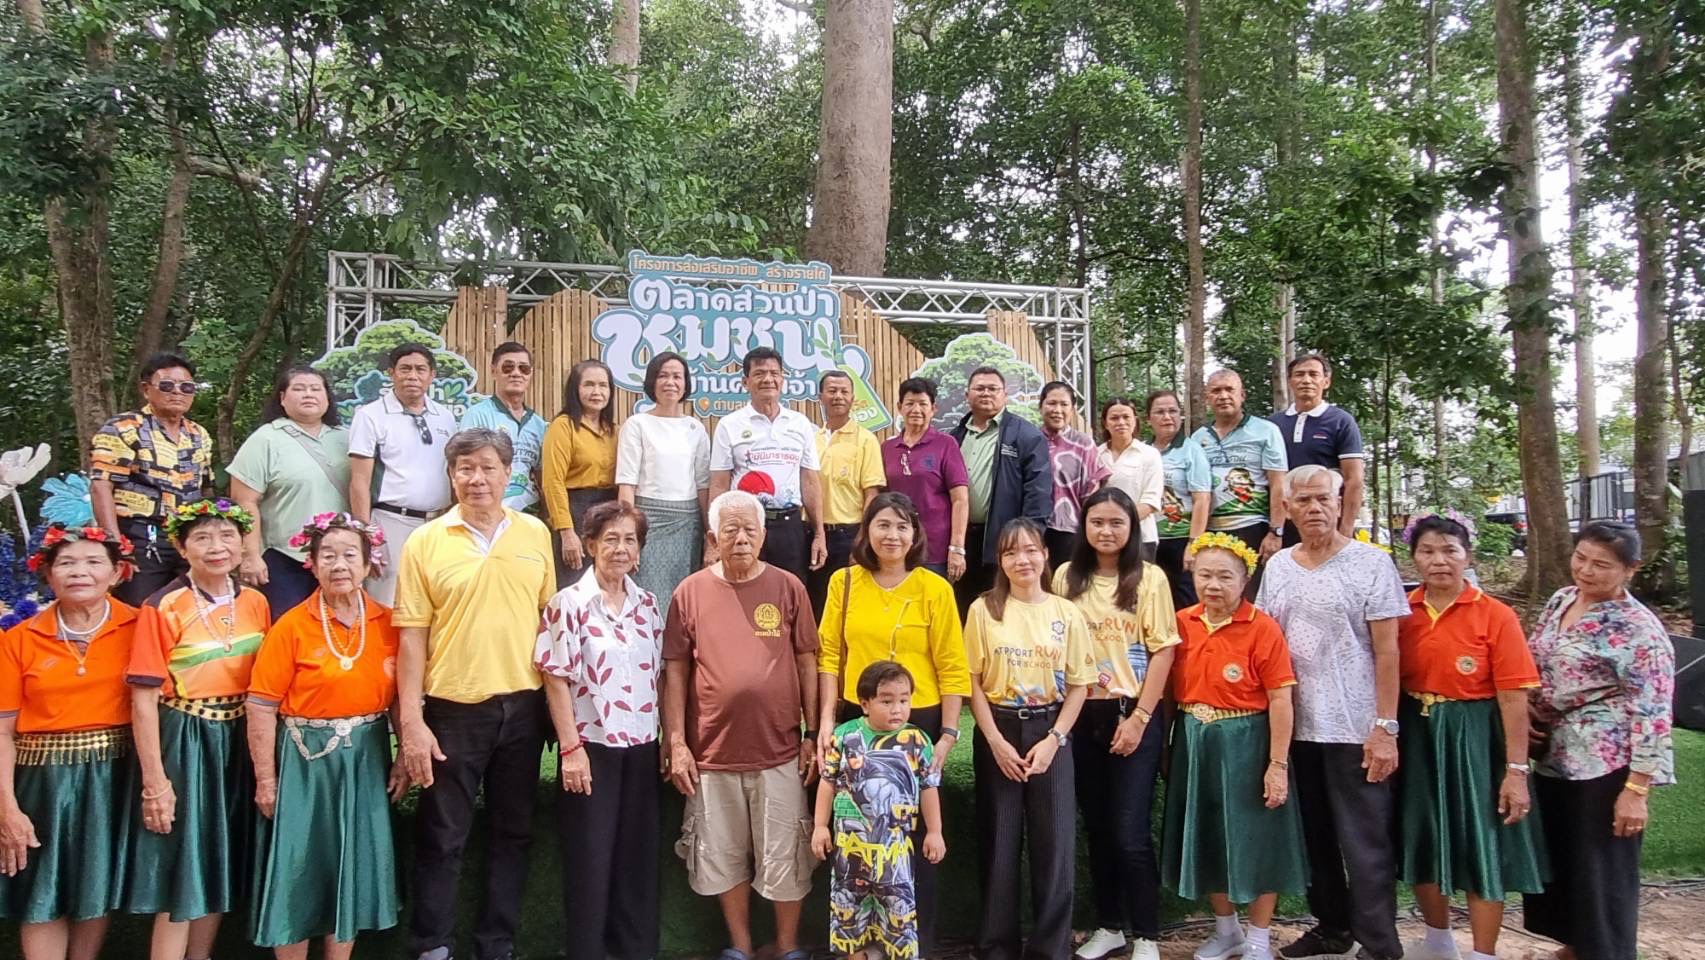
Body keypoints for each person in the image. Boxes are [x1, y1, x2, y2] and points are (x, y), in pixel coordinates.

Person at [392, 428, 556, 960]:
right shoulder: (425, 541)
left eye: (488, 467)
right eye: (465, 468)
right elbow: (412, 634)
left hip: (524, 708)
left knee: (513, 833)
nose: (477, 478)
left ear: (509, 475)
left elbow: (549, 622)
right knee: (443, 836)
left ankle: (496, 943)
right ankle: (432, 944)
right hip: (453, 711)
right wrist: (411, 721)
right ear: (451, 475)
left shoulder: (534, 533)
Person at [1255, 465, 1408, 960]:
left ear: (1341, 502)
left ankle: (1380, 943)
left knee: (1364, 842)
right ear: (1288, 508)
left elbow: (1388, 651)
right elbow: (1265, 642)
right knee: (1315, 838)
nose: (1314, 509)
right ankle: (1332, 926)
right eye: (1303, 501)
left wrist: (1385, 727)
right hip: (1298, 726)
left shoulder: (1371, 563)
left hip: (1355, 725)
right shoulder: (1278, 567)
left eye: (1323, 498)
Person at [663, 490, 819, 960]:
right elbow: (675, 670)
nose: (741, 538)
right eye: (730, 529)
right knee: (722, 856)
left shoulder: (788, 586)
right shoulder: (689, 591)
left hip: (780, 751)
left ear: (765, 535)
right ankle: (742, 947)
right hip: (711, 753)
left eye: (750, 528)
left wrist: (812, 734)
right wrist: (676, 741)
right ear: (713, 538)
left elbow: (808, 661)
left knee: (786, 856)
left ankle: (788, 948)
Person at [816, 491, 970, 957]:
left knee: (914, 840)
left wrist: (947, 733)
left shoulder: (934, 588)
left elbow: (952, 664)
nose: (892, 535)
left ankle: (911, 943)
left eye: (902, 526)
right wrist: (825, 720)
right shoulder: (844, 584)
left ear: (915, 534)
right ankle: (858, 939)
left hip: (915, 722)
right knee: (857, 836)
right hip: (857, 720)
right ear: (866, 531)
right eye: (883, 525)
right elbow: (829, 656)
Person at [246, 513, 402, 958]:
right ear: (310, 564)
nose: (339, 565)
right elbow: (260, 705)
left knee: (350, 867)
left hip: (366, 761)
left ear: (369, 563)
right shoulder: (291, 626)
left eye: (350, 555)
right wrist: (266, 778)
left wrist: (404, 755)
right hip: (305, 763)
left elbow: (398, 697)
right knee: (300, 869)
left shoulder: (387, 623)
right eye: (328, 555)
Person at [125, 499, 272, 960]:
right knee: (181, 866)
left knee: (218, 857)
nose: (217, 547)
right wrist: (155, 780)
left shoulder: (256, 602)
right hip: (186, 736)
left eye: (227, 535)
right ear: (181, 547)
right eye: (203, 538)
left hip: (239, 738)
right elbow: (144, 698)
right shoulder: (163, 605)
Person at [1395, 513, 1545, 960]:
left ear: (1467, 555)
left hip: (1476, 741)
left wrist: (1516, 770)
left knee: (1482, 842)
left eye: (1449, 550)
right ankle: (1438, 941)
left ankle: (1483, 952)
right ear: (1414, 558)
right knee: (1423, 836)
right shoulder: (1403, 612)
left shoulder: (1496, 615)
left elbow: (1514, 698)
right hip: (1418, 736)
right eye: (1427, 551)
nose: (1439, 561)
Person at [1523, 522, 1674, 960]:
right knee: (1565, 862)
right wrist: (1528, 707)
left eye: (1601, 565)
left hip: (1607, 763)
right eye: (1581, 558)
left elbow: (1654, 713)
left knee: (1601, 871)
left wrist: (1637, 790)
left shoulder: (1639, 631)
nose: (1586, 571)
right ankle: (1575, 946)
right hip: (1555, 754)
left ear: (1631, 569)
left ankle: (1607, 951)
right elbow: (1536, 659)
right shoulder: (1562, 599)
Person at [1160, 533, 1306, 960]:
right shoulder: (1182, 622)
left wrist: (1276, 764)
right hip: (1195, 742)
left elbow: (1281, 697)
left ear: (1245, 579)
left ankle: (1259, 938)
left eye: (1225, 576)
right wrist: (1168, 747)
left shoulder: (1263, 628)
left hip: (1247, 743)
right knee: (1207, 836)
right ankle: (1227, 930)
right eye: (1205, 575)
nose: (1213, 585)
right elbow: (1169, 690)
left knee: (1259, 838)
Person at [0, 526, 139, 960]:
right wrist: (7, 806)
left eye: (93, 562)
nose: (80, 572)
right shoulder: (19, 639)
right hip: (42, 781)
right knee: (41, 888)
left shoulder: (139, 626)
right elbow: (2, 729)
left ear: (116, 573)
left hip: (112, 773)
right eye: (66, 563)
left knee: (95, 886)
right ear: (48, 575)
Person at [1052, 488, 1178, 960]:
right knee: (1098, 827)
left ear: (1132, 529)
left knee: (1129, 830)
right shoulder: (1067, 576)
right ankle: (1110, 926)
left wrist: (1142, 718)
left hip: (1133, 712)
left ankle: (1146, 934)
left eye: (1116, 523)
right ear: (1084, 526)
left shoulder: (1150, 579)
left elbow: (1164, 648)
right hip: (1082, 713)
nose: (1106, 531)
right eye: (1097, 522)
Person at [536, 500, 665, 960]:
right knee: (591, 862)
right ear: (590, 545)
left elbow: (659, 676)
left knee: (637, 861)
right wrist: (570, 749)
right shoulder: (567, 604)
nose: (620, 548)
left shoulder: (648, 604)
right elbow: (556, 678)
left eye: (630, 539)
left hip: (642, 747)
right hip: (592, 748)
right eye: (610, 538)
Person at [964, 517, 1092, 960]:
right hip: (999, 727)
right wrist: (996, 741)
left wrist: (1055, 738)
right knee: (1000, 843)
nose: (1022, 559)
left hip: (1050, 732)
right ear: (1000, 560)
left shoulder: (1066, 612)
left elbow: (1079, 684)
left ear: (1045, 555)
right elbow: (973, 681)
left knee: (1054, 846)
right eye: (1011, 552)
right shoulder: (984, 609)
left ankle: (1050, 948)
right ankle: (996, 946)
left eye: (1030, 550)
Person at [811, 661, 946, 960]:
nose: (897, 708)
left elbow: (928, 788)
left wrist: (935, 831)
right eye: (886, 701)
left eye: (904, 700)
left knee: (897, 913)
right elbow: (827, 782)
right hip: (849, 850)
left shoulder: (917, 741)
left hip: (894, 851)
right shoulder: (845, 737)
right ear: (864, 703)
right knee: (849, 914)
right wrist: (821, 826)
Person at [90, 351, 214, 606]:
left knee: (191, 606)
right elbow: (101, 485)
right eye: (167, 385)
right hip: (140, 535)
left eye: (186, 387)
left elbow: (205, 489)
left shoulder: (199, 434)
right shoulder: (124, 427)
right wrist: (115, 544)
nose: (177, 392)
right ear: (147, 390)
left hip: (187, 536)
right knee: (139, 607)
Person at [229, 365, 351, 615]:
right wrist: (251, 555)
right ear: (282, 398)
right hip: (284, 558)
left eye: (316, 389)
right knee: (286, 631)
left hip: (339, 558)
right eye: (299, 388)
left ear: (327, 398)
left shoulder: (347, 438)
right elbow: (244, 501)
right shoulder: (265, 439)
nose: (309, 394)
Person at [347, 343, 458, 606]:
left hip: (438, 523)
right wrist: (367, 536)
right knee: (387, 601)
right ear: (391, 373)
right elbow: (359, 481)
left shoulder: (445, 416)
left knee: (436, 598)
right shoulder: (370, 416)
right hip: (390, 523)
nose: (412, 376)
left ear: (432, 375)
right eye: (405, 369)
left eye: (421, 369)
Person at [708, 347, 827, 575]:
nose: (768, 379)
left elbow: (810, 481)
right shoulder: (729, 425)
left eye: (774, 373)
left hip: (789, 525)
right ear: (746, 381)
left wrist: (819, 533)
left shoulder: (800, 424)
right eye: (760, 373)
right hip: (745, 525)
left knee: (790, 591)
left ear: (782, 380)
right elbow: (719, 484)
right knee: (743, 589)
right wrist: (714, 537)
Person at [947, 367, 1051, 617]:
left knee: (1001, 612)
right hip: (959, 542)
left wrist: (1024, 542)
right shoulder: (954, 437)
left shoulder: (1026, 436)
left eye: (993, 389)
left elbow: (1038, 494)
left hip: (1004, 541)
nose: (986, 393)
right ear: (966, 395)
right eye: (979, 388)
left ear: (1005, 395)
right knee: (961, 609)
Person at [615, 351, 710, 624]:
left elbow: (703, 486)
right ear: (652, 382)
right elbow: (627, 484)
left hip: (688, 526)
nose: (670, 382)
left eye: (677, 376)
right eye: (663, 375)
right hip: (649, 523)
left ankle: (679, 665)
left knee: (686, 602)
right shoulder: (637, 425)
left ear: (686, 383)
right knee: (649, 601)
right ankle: (650, 664)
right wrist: (628, 538)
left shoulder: (695, 428)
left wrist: (708, 536)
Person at [1189, 370, 1287, 593]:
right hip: (1211, 532)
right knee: (1214, 594)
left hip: (1253, 528)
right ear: (1207, 398)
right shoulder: (1198, 438)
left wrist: (1275, 532)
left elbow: (1278, 483)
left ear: (1242, 395)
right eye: (1216, 391)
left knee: (1251, 596)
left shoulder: (1266, 431)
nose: (1223, 396)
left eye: (1229, 389)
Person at [809, 370, 887, 618]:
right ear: (820, 396)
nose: (838, 396)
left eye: (844, 391)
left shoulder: (866, 440)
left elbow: (872, 494)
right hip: (811, 534)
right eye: (831, 391)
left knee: (847, 606)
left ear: (853, 398)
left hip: (848, 536)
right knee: (816, 604)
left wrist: (862, 540)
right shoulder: (811, 439)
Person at [1267, 353, 1364, 546]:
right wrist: (1273, 529)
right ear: (1290, 381)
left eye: (1313, 374)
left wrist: (1345, 530)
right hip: (1284, 522)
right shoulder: (1272, 424)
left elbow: (1354, 479)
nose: (1306, 380)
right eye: (1299, 374)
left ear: (1326, 381)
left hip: (1325, 520)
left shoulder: (1340, 421)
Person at [879, 377, 969, 581]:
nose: (916, 409)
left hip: (935, 549)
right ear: (899, 407)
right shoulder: (887, 448)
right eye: (910, 403)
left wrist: (957, 548)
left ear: (934, 408)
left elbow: (960, 499)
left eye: (923, 404)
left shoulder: (946, 444)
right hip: (897, 546)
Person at [541, 359, 619, 588]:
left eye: (603, 386)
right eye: (589, 385)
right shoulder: (563, 426)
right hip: (575, 514)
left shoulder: (614, 431)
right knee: (574, 589)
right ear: (575, 390)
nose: (597, 392)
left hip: (607, 516)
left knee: (606, 587)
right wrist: (566, 532)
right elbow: (553, 482)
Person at [459, 342, 547, 514]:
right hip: (488, 514)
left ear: (530, 374)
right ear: (494, 371)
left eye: (524, 369)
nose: (516, 373)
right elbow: (464, 469)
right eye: (508, 368)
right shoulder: (477, 415)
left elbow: (541, 476)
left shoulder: (538, 424)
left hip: (529, 516)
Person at [1148, 389, 1211, 609]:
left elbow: (1202, 499)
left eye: (1173, 411)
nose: (1168, 417)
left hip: (1181, 539)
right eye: (1160, 412)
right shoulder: (1143, 451)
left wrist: (1193, 544)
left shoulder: (1191, 451)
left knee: (1184, 604)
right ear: (1149, 419)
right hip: (1148, 540)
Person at [1038, 382, 1110, 570]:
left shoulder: (1084, 444)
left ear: (1072, 409)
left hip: (1070, 531)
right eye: (1051, 403)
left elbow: (1092, 494)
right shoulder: (1030, 440)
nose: (1057, 410)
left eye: (1064, 404)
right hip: (1034, 529)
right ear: (1041, 406)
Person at [1096, 397, 1163, 563]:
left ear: (1135, 421)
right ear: (1105, 423)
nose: (1121, 422)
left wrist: (1119, 523)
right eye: (1114, 418)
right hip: (1104, 538)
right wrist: (1108, 527)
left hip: (1141, 536)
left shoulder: (1149, 454)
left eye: (1126, 417)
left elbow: (1151, 501)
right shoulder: (1096, 454)